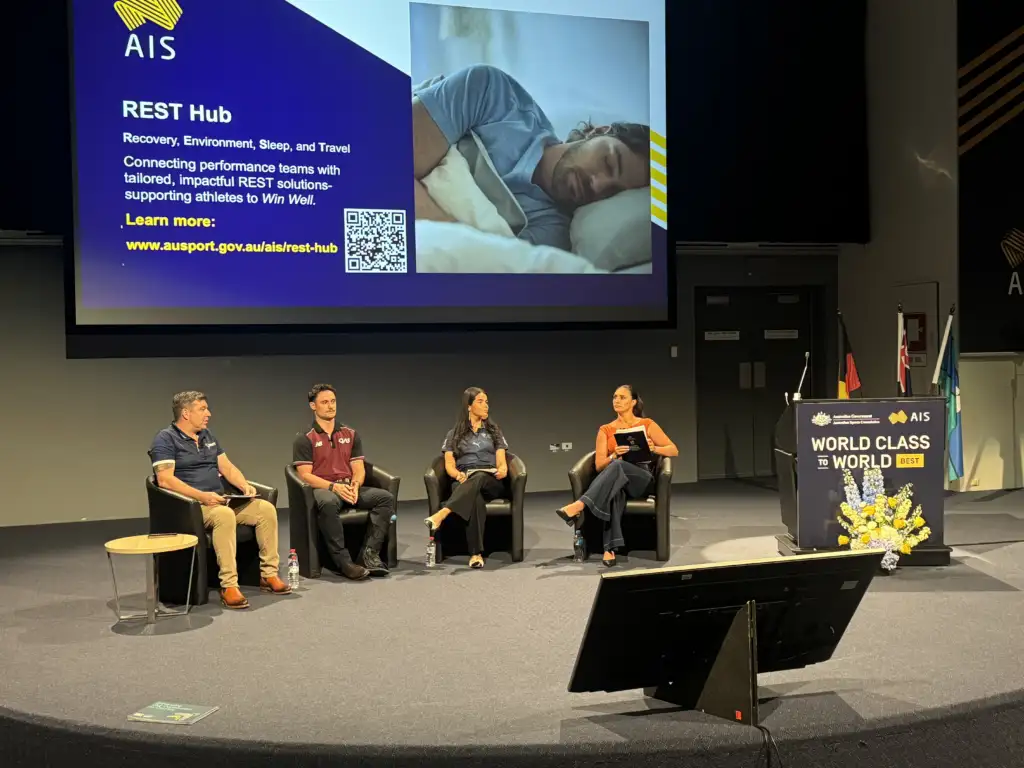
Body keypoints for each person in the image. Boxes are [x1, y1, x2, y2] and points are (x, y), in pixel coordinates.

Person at [413, 63, 650, 250]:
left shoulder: (552, 233)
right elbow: (389, 156)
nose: (597, 185)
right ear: (597, 131)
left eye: (612, 192)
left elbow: (473, 270)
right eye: (608, 163)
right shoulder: (496, 98)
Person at [150, 391, 290, 610]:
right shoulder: (165, 439)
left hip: (219, 500)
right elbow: (165, 480)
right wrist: (202, 497)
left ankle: (268, 574)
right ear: (186, 413)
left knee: (265, 509)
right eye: (202, 409)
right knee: (224, 516)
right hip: (191, 507)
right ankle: (229, 585)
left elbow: (227, 467)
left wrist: (244, 485)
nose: (209, 413)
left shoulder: (208, 435)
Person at [555, 385, 678, 567]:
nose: (617, 401)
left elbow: (673, 450)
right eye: (614, 397)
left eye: (622, 397)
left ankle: (580, 504)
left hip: (641, 478)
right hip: (617, 476)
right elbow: (599, 465)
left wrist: (654, 448)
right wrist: (614, 455)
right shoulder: (606, 429)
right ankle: (609, 549)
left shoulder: (647, 424)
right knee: (615, 490)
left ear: (633, 402)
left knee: (618, 466)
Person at [292, 384, 392, 580]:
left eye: (333, 401)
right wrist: (333, 487)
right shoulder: (305, 438)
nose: (330, 406)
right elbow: (305, 475)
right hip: (325, 488)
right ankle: (343, 561)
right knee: (328, 502)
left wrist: (355, 484)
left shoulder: (351, 434)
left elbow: (358, 467)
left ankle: (369, 555)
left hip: (347, 486)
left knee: (385, 498)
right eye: (324, 402)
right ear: (313, 406)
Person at [424, 387, 509, 569]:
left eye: (486, 402)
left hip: (490, 480)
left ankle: (443, 513)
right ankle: (476, 554)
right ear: (469, 406)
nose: (485, 405)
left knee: (478, 476)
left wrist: (502, 470)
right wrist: (457, 475)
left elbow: (502, 463)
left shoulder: (494, 432)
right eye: (480, 401)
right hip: (464, 480)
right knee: (474, 499)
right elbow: (449, 465)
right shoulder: (454, 434)